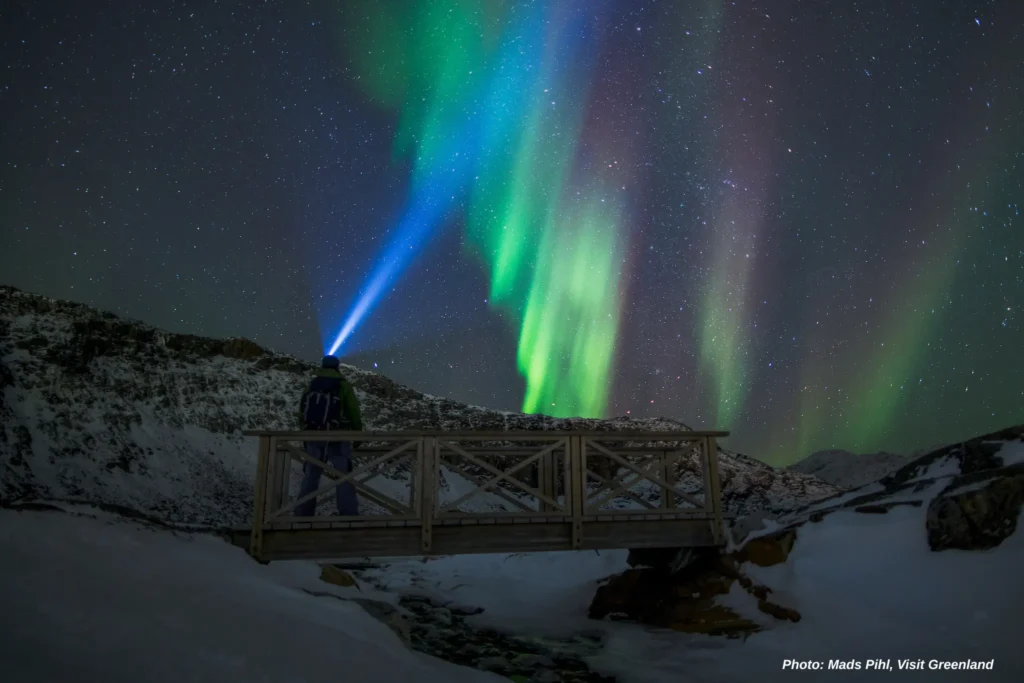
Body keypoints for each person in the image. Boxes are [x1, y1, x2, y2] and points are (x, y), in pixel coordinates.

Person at [295, 355, 363, 516]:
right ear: (337, 367)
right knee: (343, 474)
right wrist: (358, 434)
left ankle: (303, 513)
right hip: (337, 434)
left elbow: (301, 411)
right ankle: (348, 513)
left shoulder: (312, 384)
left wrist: (305, 433)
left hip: (313, 435)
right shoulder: (343, 385)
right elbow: (353, 411)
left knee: (311, 473)